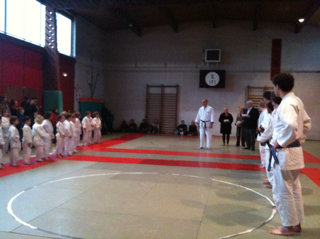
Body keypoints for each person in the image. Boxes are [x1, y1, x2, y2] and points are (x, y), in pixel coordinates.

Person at [268, 73, 311, 236]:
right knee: (294, 188)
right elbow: (306, 123)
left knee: (282, 190)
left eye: (274, 86)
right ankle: (296, 223)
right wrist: (299, 138)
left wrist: (282, 142)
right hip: (295, 151)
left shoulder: (286, 103)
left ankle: (287, 226)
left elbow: (291, 124)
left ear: (277, 86)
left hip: (285, 152)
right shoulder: (297, 100)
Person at [257, 101, 269, 168]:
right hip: (261, 132)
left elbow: (264, 123)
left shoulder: (265, 112)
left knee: (263, 150)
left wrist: (260, 128)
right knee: (262, 149)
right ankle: (263, 163)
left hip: (263, 132)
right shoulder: (264, 112)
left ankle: (264, 163)